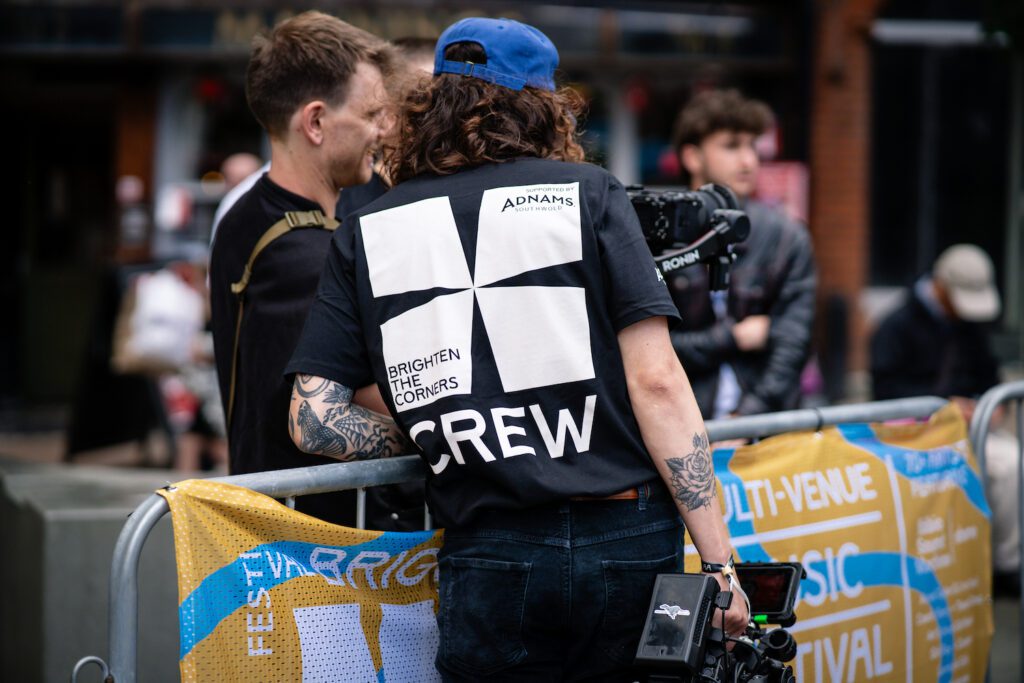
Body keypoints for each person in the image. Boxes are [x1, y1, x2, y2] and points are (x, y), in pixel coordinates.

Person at [286, 17, 748, 680]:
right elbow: (657, 383)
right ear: (543, 105)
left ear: (430, 103)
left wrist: (442, 435)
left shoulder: (371, 228)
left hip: (488, 542)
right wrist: (719, 562)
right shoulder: (589, 193)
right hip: (623, 530)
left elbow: (313, 415)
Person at [209, 11, 396, 526]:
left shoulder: (243, 216)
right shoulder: (308, 258)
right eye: (373, 114)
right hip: (319, 556)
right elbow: (334, 412)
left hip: (282, 540)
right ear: (314, 122)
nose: (385, 130)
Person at [668, 89, 816, 418]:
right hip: (680, 427)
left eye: (753, 145)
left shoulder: (786, 236)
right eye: (732, 145)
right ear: (692, 157)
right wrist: (732, 338)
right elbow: (653, 350)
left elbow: (794, 343)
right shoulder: (660, 239)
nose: (749, 160)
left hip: (764, 432)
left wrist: (744, 422)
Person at [870, 243, 1001, 409]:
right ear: (941, 286)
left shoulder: (969, 324)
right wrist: (946, 404)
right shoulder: (896, 326)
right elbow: (885, 390)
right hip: (912, 427)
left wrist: (994, 405)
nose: (964, 311)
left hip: (970, 424)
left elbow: (988, 373)